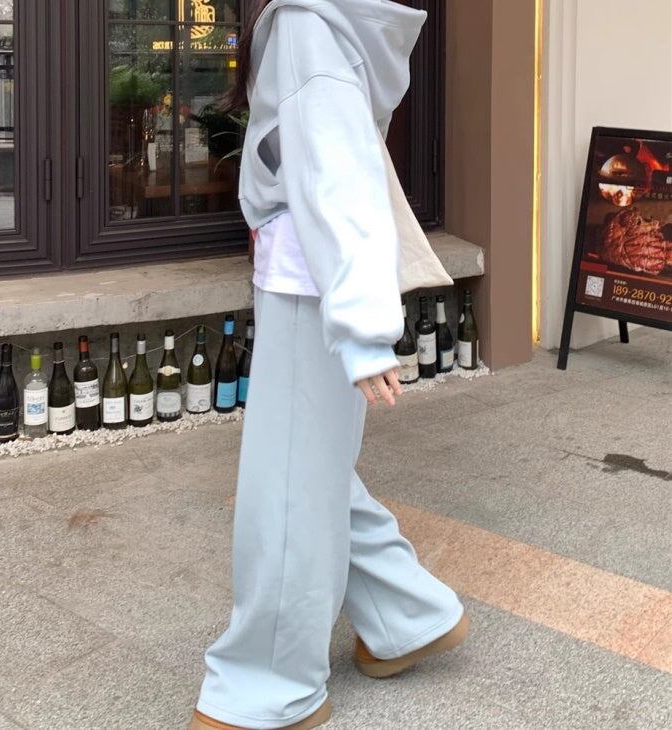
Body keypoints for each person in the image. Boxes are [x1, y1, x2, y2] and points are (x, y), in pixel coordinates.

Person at [189, 2, 467, 728]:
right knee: (306, 468)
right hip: (318, 274)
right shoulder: (333, 17)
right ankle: (407, 614)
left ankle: (268, 686)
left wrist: (365, 329)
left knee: (287, 487)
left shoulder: (311, 21)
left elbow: (338, 167)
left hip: (311, 280)